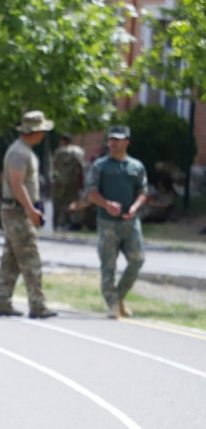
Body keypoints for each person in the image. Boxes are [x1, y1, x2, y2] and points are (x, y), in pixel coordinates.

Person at [0, 111, 57, 319]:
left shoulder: (24, 151)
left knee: (11, 259)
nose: (44, 134)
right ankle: (38, 306)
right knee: (31, 259)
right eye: (42, 130)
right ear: (34, 131)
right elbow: (17, 185)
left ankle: (2, 302)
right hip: (17, 211)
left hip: (16, 210)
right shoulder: (19, 153)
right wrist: (31, 210)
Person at [85, 125, 149, 319]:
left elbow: (143, 191)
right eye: (111, 139)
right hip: (107, 224)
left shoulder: (136, 166)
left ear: (126, 142)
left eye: (118, 139)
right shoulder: (100, 166)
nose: (113, 142)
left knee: (137, 260)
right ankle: (112, 304)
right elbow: (91, 193)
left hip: (130, 223)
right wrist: (106, 204)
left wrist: (135, 207)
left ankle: (119, 296)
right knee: (108, 266)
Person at [52, 133, 86, 229]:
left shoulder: (59, 151)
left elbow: (55, 165)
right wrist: (81, 180)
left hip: (60, 181)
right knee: (72, 201)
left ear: (62, 140)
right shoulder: (78, 151)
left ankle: (57, 222)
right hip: (73, 181)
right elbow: (80, 167)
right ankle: (71, 222)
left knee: (58, 202)